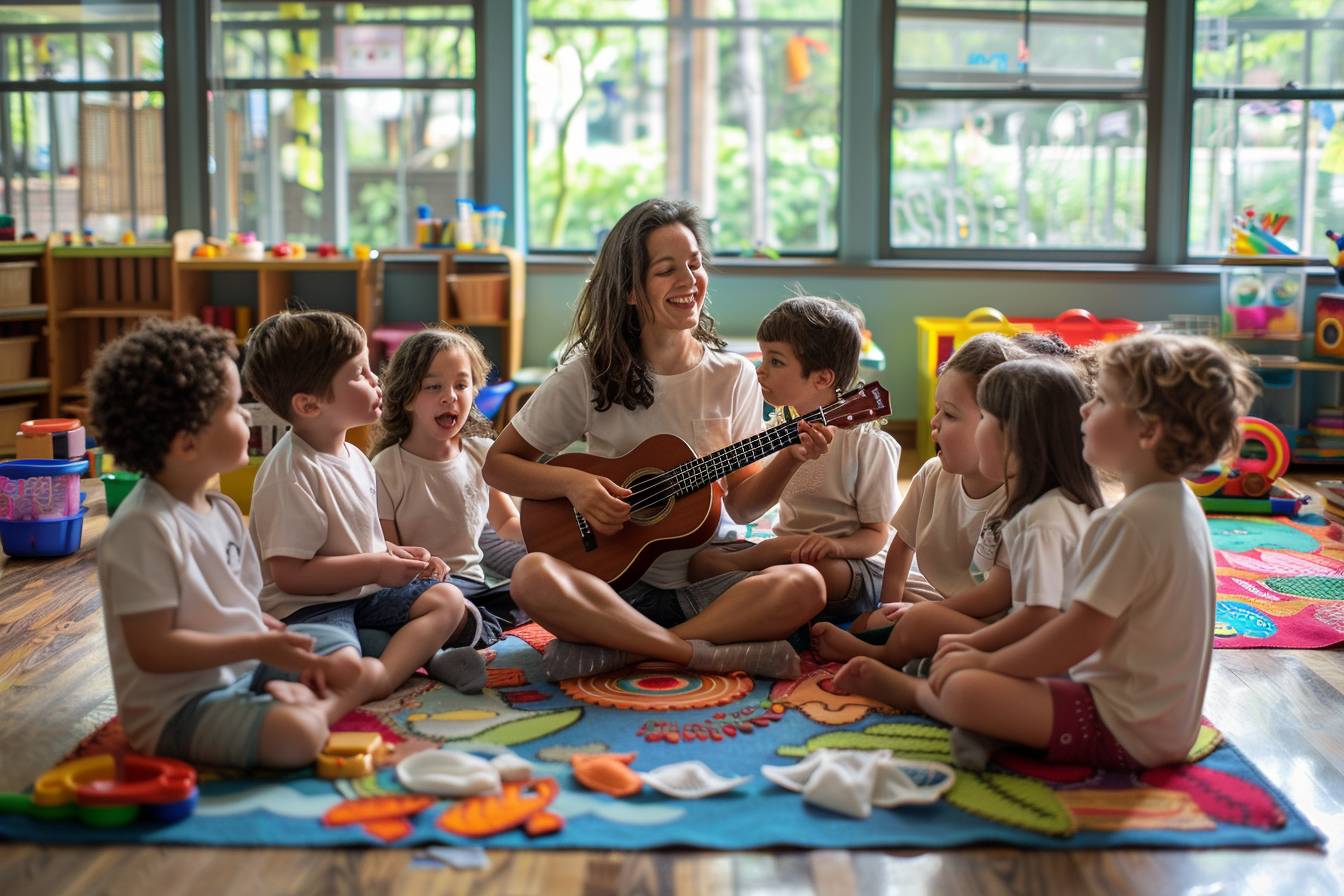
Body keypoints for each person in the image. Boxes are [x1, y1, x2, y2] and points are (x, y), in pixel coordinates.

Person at [835, 334, 1258, 771]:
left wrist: (987, 659)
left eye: (1103, 402)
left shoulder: (1133, 524)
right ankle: (981, 720)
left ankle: (919, 696)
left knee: (966, 687)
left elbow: (1073, 633)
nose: (1085, 412)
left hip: (1126, 729)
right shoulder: (1175, 504)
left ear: (1148, 430)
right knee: (969, 671)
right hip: (1154, 718)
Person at [483, 198, 830, 682]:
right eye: (668, 270)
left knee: (805, 584)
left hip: (707, 581)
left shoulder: (731, 375)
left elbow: (746, 509)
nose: (690, 281)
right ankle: (701, 653)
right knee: (531, 576)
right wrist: (573, 485)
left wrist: (789, 459)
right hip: (611, 586)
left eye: (695, 263)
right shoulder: (588, 375)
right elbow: (498, 466)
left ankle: (626, 650)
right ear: (630, 290)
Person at [90, 318, 366, 768]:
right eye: (235, 407)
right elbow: (154, 650)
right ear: (186, 443)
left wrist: (265, 631)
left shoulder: (220, 511)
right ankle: (306, 715)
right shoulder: (143, 530)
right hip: (179, 707)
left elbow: (231, 605)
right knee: (297, 736)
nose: (246, 415)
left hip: (243, 668)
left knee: (348, 663)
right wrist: (257, 647)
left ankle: (296, 703)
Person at [243, 310, 488, 697]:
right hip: (308, 608)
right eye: (359, 374)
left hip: (362, 597)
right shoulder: (291, 471)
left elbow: (360, 540)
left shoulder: (355, 457)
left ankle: (382, 670)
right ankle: (386, 665)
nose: (377, 381)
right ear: (309, 405)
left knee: (448, 599)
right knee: (339, 665)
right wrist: (376, 566)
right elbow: (290, 575)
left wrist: (400, 556)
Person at [819, 358, 1103, 682]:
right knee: (889, 619)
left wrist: (959, 637)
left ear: (1018, 439)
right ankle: (916, 663)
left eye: (982, 421)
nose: (934, 422)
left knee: (921, 627)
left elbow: (1026, 611)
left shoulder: (1038, 516)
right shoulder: (1033, 505)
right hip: (997, 621)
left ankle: (892, 665)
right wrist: (900, 608)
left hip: (1031, 645)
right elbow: (910, 554)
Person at [688, 295, 901, 626]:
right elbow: (746, 509)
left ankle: (757, 590)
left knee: (814, 572)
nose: (760, 372)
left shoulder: (867, 444)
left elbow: (876, 536)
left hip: (847, 565)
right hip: (786, 553)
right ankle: (770, 593)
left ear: (821, 378)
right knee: (701, 561)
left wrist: (833, 546)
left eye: (775, 362)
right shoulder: (778, 430)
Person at [371, 326, 526, 646]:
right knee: (448, 607)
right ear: (407, 397)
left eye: (461, 385)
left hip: (476, 586)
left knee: (539, 583)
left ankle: (473, 630)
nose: (450, 396)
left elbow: (507, 523)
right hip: (424, 590)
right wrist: (424, 566)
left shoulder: (482, 453)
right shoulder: (387, 467)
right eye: (433, 386)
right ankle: (467, 634)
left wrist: (552, 533)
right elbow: (388, 555)